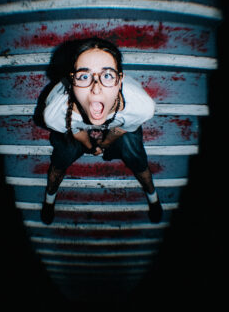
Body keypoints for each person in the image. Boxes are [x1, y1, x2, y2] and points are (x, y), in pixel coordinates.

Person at [41, 38, 163, 224]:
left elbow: (121, 129)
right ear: (71, 81)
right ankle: (49, 199)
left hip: (117, 127)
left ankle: (153, 197)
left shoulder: (140, 107)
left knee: (136, 155)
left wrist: (104, 144)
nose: (96, 89)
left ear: (120, 81)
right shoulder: (55, 114)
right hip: (77, 129)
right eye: (84, 76)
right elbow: (76, 132)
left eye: (107, 75)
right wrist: (91, 147)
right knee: (61, 158)